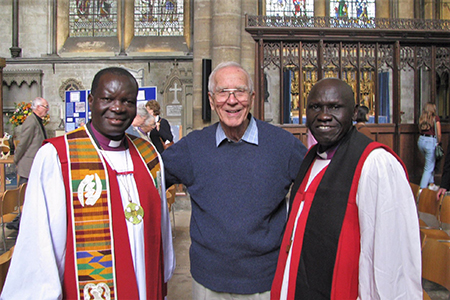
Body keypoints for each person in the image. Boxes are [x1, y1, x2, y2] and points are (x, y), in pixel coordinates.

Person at [1, 67, 175, 300]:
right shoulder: (59, 157)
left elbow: (161, 230)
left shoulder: (148, 156)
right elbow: (38, 245)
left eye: (127, 101)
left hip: (145, 283)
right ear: (91, 100)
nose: (118, 108)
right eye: (108, 98)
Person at [162, 61, 307, 299]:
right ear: (211, 100)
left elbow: (315, 189)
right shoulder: (193, 147)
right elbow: (147, 178)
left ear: (251, 97)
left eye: (239, 91)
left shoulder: (283, 145)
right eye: (223, 92)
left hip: (266, 280)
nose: (232, 100)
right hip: (208, 282)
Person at [271, 78, 422, 299]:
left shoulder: (375, 164)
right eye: (315, 107)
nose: (324, 115)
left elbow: (392, 259)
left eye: (335, 107)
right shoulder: (311, 158)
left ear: (353, 113)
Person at [14, 96, 49, 186]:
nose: (47, 109)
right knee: (24, 194)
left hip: (35, 165)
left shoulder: (38, 121)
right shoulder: (31, 121)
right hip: (28, 166)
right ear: (38, 107)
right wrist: (16, 159)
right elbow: (23, 143)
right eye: (46, 107)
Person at [418, 102, 441, 190]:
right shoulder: (435, 118)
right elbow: (438, 133)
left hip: (421, 140)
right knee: (428, 167)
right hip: (430, 141)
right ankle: (422, 189)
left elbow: (419, 129)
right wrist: (438, 142)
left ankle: (431, 184)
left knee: (430, 163)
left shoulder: (422, 118)